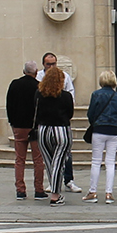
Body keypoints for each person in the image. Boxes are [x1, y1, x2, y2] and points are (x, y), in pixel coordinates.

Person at [35, 64, 75, 206]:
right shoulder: (66, 96)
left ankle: (54, 189)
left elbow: (36, 113)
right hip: (61, 129)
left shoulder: (39, 95)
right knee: (59, 162)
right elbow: (70, 113)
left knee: (50, 163)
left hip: (44, 130)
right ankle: (55, 194)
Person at [6, 61, 46, 199]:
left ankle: (20, 190)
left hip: (18, 126)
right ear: (36, 73)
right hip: (35, 127)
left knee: (19, 159)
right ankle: (39, 189)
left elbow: (9, 105)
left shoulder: (14, 84)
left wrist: (12, 122)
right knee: (38, 160)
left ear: (24, 71)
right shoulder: (39, 87)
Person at [85, 71, 117, 202]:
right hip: (114, 130)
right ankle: (109, 193)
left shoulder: (96, 94)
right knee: (110, 162)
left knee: (96, 161)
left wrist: (94, 123)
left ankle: (93, 191)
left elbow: (91, 113)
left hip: (99, 129)